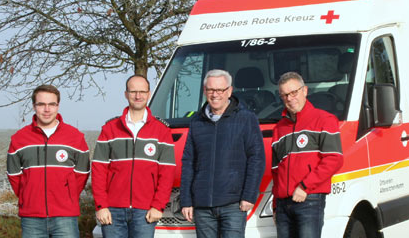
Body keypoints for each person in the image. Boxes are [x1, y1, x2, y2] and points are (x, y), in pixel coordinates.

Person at [180, 69, 265, 238]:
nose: (215, 94)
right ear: (204, 91)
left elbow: (256, 158)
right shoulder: (197, 121)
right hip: (203, 205)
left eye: (220, 90)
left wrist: (249, 195)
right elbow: (188, 162)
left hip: (233, 203)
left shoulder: (246, 118)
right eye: (211, 90)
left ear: (229, 91)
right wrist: (186, 200)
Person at [91, 74, 176, 238]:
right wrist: (101, 206)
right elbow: (98, 170)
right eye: (133, 92)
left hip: (145, 211)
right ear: (126, 94)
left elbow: (167, 173)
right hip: (112, 211)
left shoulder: (161, 131)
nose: (138, 96)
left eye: (142, 92)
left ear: (149, 94)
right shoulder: (110, 128)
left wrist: (158, 206)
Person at [6, 85, 90, 238]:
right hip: (31, 217)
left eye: (52, 104)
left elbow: (82, 173)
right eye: (41, 104)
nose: (47, 109)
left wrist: (67, 195)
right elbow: (14, 175)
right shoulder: (19, 139)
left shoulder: (75, 137)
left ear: (58, 106)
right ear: (34, 106)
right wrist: (28, 196)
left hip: (65, 216)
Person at [271, 72, 344, 238]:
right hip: (283, 206)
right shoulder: (279, 129)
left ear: (305, 91)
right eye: (284, 95)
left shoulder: (324, 119)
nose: (290, 98)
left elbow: (334, 159)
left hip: (309, 199)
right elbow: (277, 172)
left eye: (294, 92)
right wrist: (275, 206)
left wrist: (305, 186)